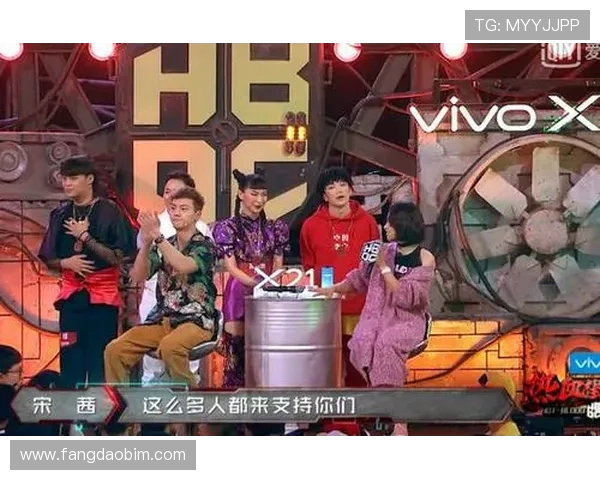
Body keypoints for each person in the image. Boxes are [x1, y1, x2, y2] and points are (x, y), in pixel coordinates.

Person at [314, 202, 435, 435]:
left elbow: (407, 297)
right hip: (376, 315)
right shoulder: (383, 250)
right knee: (362, 341)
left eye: (390, 223)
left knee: (385, 345)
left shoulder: (424, 258)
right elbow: (359, 279)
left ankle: (397, 420)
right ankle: (382, 408)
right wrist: (333, 289)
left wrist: (384, 267)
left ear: (403, 225)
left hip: (406, 319)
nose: (385, 227)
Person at [37, 155, 137, 389]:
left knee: (98, 360)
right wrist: (66, 263)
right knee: (70, 356)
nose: (67, 183)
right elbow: (48, 257)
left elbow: (118, 257)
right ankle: (70, 409)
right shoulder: (60, 214)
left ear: (89, 179)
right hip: (72, 298)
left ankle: (98, 410)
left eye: (73, 178)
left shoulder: (109, 211)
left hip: (102, 300)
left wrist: (85, 237)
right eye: (64, 178)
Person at [104, 187, 218, 389]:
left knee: (170, 347)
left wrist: (158, 237)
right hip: (164, 319)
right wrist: (147, 244)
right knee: (115, 349)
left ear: (197, 215)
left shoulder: (205, 245)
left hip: (197, 321)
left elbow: (183, 265)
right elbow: (138, 276)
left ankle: (191, 399)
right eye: (173, 208)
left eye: (184, 209)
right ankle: (122, 405)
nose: (176, 213)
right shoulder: (164, 243)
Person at [300, 167, 380, 387]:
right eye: (332, 187)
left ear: (351, 190)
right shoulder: (310, 225)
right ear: (324, 196)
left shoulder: (367, 222)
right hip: (325, 305)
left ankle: (359, 406)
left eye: (343, 185)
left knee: (358, 363)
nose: (339, 190)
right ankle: (326, 407)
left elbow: (373, 263)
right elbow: (308, 264)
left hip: (360, 305)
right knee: (325, 364)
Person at [212, 168, 289, 388]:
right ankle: (234, 398)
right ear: (240, 194)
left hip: (268, 290)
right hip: (239, 289)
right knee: (237, 349)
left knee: (267, 350)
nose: (260, 199)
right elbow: (231, 267)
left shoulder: (276, 227)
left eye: (263, 194)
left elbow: (278, 263)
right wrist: (254, 283)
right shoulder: (228, 228)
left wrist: (269, 283)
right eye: (254, 194)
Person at [139, 172, 212, 386]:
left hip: (190, 307)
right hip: (156, 299)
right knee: (150, 362)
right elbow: (143, 266)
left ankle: (187, 398)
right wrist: (147, 240)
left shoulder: (202, 229)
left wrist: (159, 239)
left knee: (181, 355)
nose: (171, 197)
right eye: (167, 192)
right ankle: (147, 403)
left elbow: (192, 267)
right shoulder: (153, 223)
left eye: (177, 192)